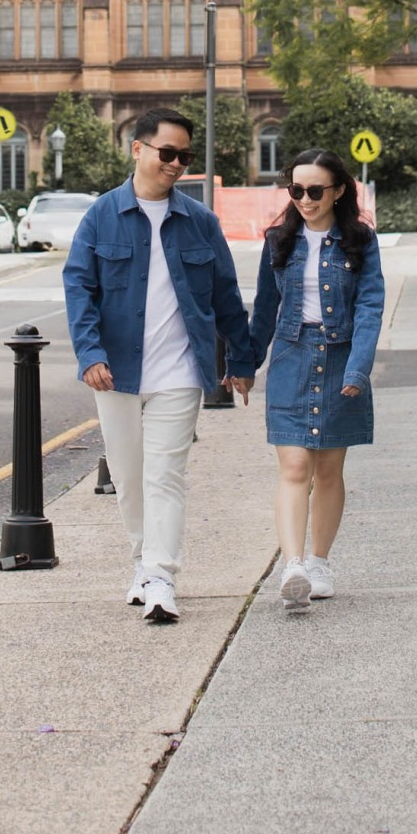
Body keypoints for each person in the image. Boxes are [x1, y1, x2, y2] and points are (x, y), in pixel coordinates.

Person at [63, 106, 256, 625]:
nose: (175, 164)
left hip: (179, 371)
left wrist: (241, 358)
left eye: (184, 157)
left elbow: (225, 295)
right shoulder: (101, 215)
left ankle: (162, 576)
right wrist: (89, 353)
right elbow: (79, 288)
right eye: (167, 153)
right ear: (138, 149)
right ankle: (142, 564)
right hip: (116, 371)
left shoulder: (200, 222)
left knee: (165, 475)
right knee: (129, 478)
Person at [248, 149, 385, 612]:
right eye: (296, 190)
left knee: (328, 470)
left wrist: (358, 368)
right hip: (291, 357)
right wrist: (245, 365)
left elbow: (370, 307)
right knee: (293, 467)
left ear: (338, 191)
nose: (305, 200)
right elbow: (264, 310)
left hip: (340, 356)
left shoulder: (360, 241)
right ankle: (293, 566)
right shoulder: (279, 240)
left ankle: (319, 562)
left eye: (314, 191)